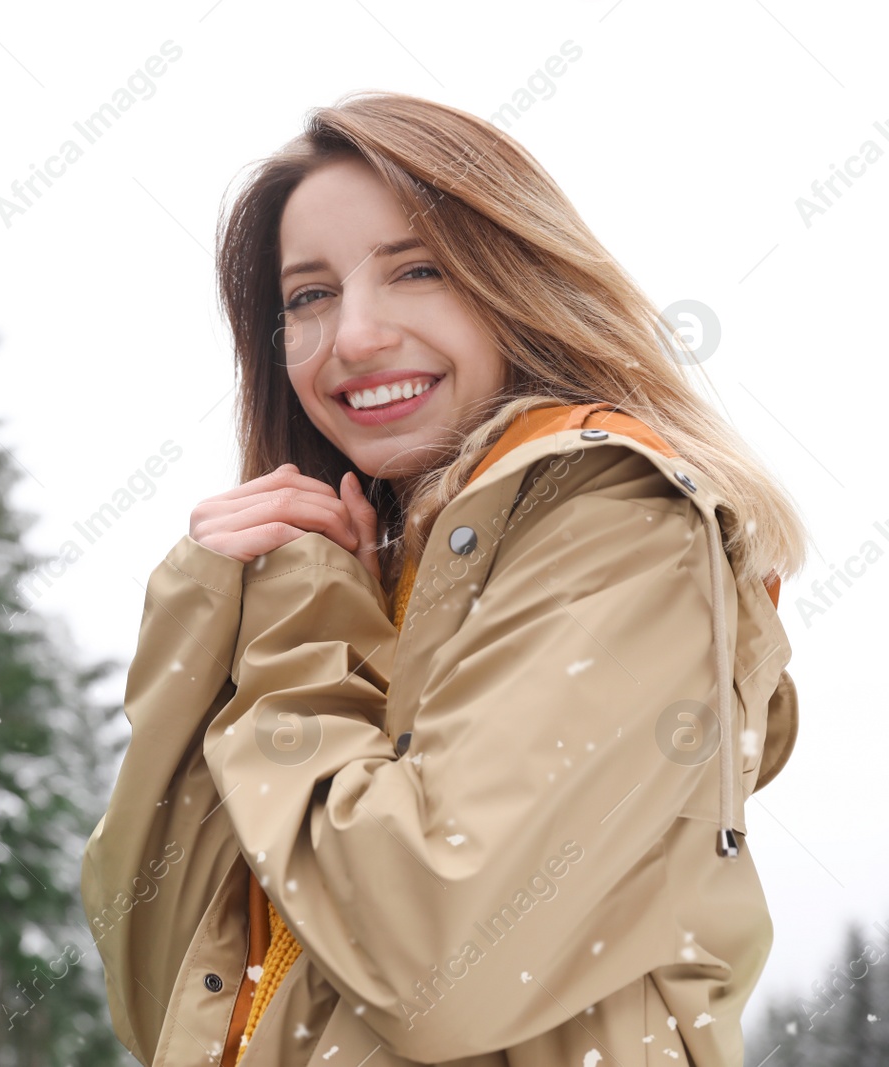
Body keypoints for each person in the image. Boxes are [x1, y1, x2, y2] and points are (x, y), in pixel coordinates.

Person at [79, 90, 806, 1067]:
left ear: (515, 279)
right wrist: (203, 612)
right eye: (307, 295)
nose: (354, 336)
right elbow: (163, 985)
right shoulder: (332, 574)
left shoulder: (621, 526)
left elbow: (435, 966)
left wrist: (299, 630)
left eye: (415, 269)